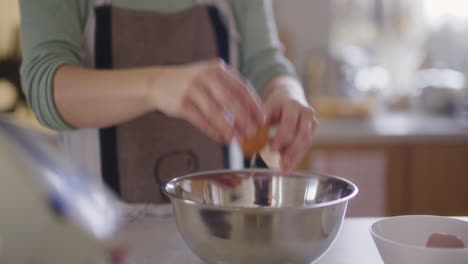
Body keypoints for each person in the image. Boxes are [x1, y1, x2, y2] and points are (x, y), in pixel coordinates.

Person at [19, 0, 318, 203]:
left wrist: (286, 93)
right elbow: (47, 88)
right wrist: (156, 87)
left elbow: (265, 64)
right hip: (99, 236)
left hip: (218, 236)